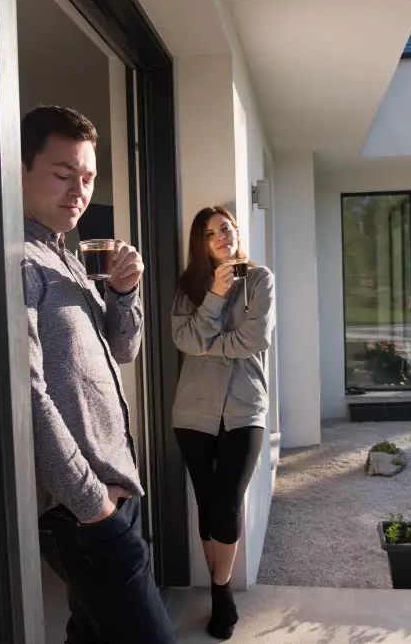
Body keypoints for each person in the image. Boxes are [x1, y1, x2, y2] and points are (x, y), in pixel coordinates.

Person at [21, 105, 174, 644]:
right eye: (63, 175)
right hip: (87, 509)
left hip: (113, 494)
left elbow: (124, 349)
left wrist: (124, 292)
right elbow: (27, 394)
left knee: (90, 633)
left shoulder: (64, 255)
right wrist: (94, 505)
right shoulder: (22, 263)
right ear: (19, 169)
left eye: (87, 178)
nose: (78, 190)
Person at [170, 206, 276, 640]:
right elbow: (184, 339)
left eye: (226, 228)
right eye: (210, 232)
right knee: (207, 501)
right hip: (193, 411)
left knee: (228, 500)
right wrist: (214, 294)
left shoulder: (259, 278)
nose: (221, 236)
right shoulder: (189, 287)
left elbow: (256, 338)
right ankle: (220, 593)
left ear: (236, 232)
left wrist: (209, 344)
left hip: (244, 408)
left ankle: (220, 588)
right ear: (202, 242)